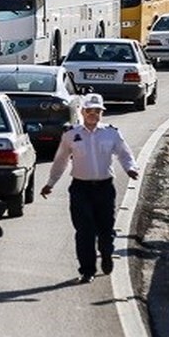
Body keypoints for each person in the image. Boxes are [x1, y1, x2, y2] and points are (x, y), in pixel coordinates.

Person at [41, 93, 140, 284]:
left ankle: (106, 253)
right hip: (80, 189)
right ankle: (87, 270)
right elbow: (61, 160)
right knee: (84, 231)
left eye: (97, 111)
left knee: (105, 228)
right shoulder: (71, 135)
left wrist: (131, 169)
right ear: (82, 112)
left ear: (102, 112)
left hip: (104, 188)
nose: (93, 114)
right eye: (89, 111)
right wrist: (51, 183)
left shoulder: (111, 133)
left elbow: (124, 153)